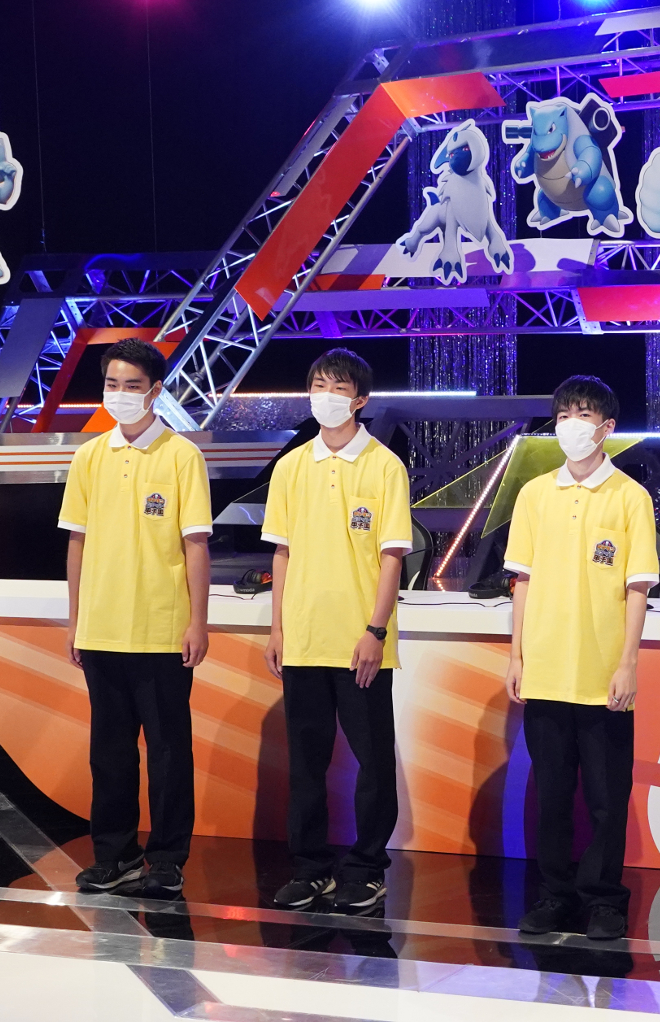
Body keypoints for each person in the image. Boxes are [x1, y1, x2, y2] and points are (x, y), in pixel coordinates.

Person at [503, 376, 659, 941]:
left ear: (606, 428)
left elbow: (637, 588)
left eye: (584, 414)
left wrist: (627, 664)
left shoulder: (630, 497)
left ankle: (604, 900)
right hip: (544, 669)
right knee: (552, 795)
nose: (572, 424)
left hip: (602, 673)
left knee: (606, 799)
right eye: (564, 414)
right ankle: (555, 894)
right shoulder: (534, 494)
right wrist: (517, 655)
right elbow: (521, 581)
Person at [58, 338, 212, 898]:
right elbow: (77, 542)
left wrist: (198, 621)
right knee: (110, 752)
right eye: (112, 384)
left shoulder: (181, 456)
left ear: (155, 390)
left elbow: (196, 545)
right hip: (101, 629)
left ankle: (167, 859)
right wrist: (76, 620)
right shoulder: (89, 456)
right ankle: (115, 855)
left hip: (161, 629)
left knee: (169, 751)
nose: (120, 394)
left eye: (132, 385)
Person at [262, 348, 413, 912]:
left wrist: (375, 630)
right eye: (318, 385)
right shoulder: (291, 466)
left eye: (338, 388)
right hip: (303, 639)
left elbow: (392, 557)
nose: (325, 396)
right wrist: (278, 629)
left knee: (372, 762)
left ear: (360, 400)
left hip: (360, 643)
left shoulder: (383, 466)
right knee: (306, 763)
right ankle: (310, 869)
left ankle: (367, 869)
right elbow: (281, 553)